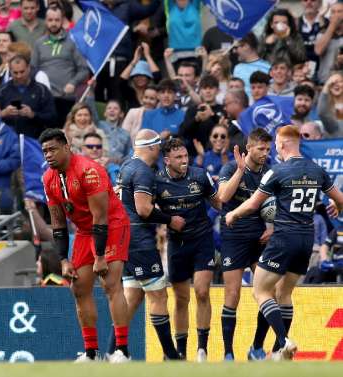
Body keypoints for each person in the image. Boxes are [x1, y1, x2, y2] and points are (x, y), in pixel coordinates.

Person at [225, 125, 343, 360]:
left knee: (260, 290)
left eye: (276, 145)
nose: (274, 149)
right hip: (306, 239)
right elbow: (340, 200)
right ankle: (278, 352)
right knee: (284, 293)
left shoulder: (277, 171)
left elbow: (252, 205)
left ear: (284, 144)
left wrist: (233, 214)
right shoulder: (317, 170)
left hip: (283, 238)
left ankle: (283, 341)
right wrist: (337, 206)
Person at [40, 128, 131, 363]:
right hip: (83, 231)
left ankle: (122, 351)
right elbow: (58, 222)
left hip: (111, 225)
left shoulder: (89, 171)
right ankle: (92, 354)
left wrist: (100, 256)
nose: (48, 155)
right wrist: (63, 259)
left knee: (110, 284)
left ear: (67, 147)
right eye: (45, 151)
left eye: (52, 149)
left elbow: (100, 217)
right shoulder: (48, 179)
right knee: (78, 288)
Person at [114, 129, 184, 360]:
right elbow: (143, 209)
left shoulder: (126, 166)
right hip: (139, 240)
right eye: (159, 146)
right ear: (152, 147)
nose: (160, 150)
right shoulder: (143, 171)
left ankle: (114, 353)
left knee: (131, 299)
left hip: (124, 237)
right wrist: (170, 220)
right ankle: (171, 356)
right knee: (158, 296)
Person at [152, 137, 221, 361]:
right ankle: (181, 351)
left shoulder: (200, 175)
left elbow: (218, 203)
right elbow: (146, 208)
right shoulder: (156, 181)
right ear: (167, 160)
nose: (184, 161)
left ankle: (202, 349)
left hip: (202, 240)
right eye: (178, 157)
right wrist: (167, 220)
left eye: (186, 156)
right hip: (176, 244)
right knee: (181, 299)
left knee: (202, 291)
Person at [216, 128, 272, 361]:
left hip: (259, 239)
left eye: (268, 149)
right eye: (261, 148)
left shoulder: (270, 172)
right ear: (249, 147)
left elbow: (278, 205)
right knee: (233, 293)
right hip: (234, 237)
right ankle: (228, 353)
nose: (265, 153)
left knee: (269, 292)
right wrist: (240, 171)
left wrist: (273, 227)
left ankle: (256, 348)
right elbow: (223, 198)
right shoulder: (230, 168)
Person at [32, 6, 88, 128]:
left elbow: (84, 69)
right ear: (45, 21)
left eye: (57, 20)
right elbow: (32, 69)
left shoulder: (72, 42)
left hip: (66, 99)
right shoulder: (39, 43)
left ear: (62, 20)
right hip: (45, 99)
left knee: (64, 136)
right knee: (47, 136)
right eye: (50, 20)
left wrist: (73, 83)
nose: (53, 23)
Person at [0, 54, 56, 139]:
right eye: (15, 73)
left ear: (29, 68)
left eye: (22, 72)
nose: (19, 76)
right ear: (10, 71)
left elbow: (52, 117)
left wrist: (33, 114)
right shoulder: (2, 90)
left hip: (35, 139)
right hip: (8, 139)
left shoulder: (41, 90)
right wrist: (4, 113)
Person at [314, 1, 343, 83]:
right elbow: (318, 51)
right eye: (333, 12)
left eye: (339, 12)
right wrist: (332, 26)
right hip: (325, 82)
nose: (336, 15)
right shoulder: (322, 34)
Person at [98, 100, 132, 164]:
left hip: (117, 167)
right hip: (99, 163)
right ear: (105, 113)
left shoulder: (125, 134)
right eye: (109, 108)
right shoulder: (98, 125)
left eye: (116, 108)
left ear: (121, 114)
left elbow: (129, 155)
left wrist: (116, 161)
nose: (112, 110)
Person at [318, 71, 343, 138]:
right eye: (332, 82)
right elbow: (322, 113)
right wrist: (327, 85)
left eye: (339, 81)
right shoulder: (325, 107)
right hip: (333, 146)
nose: (336, 84)